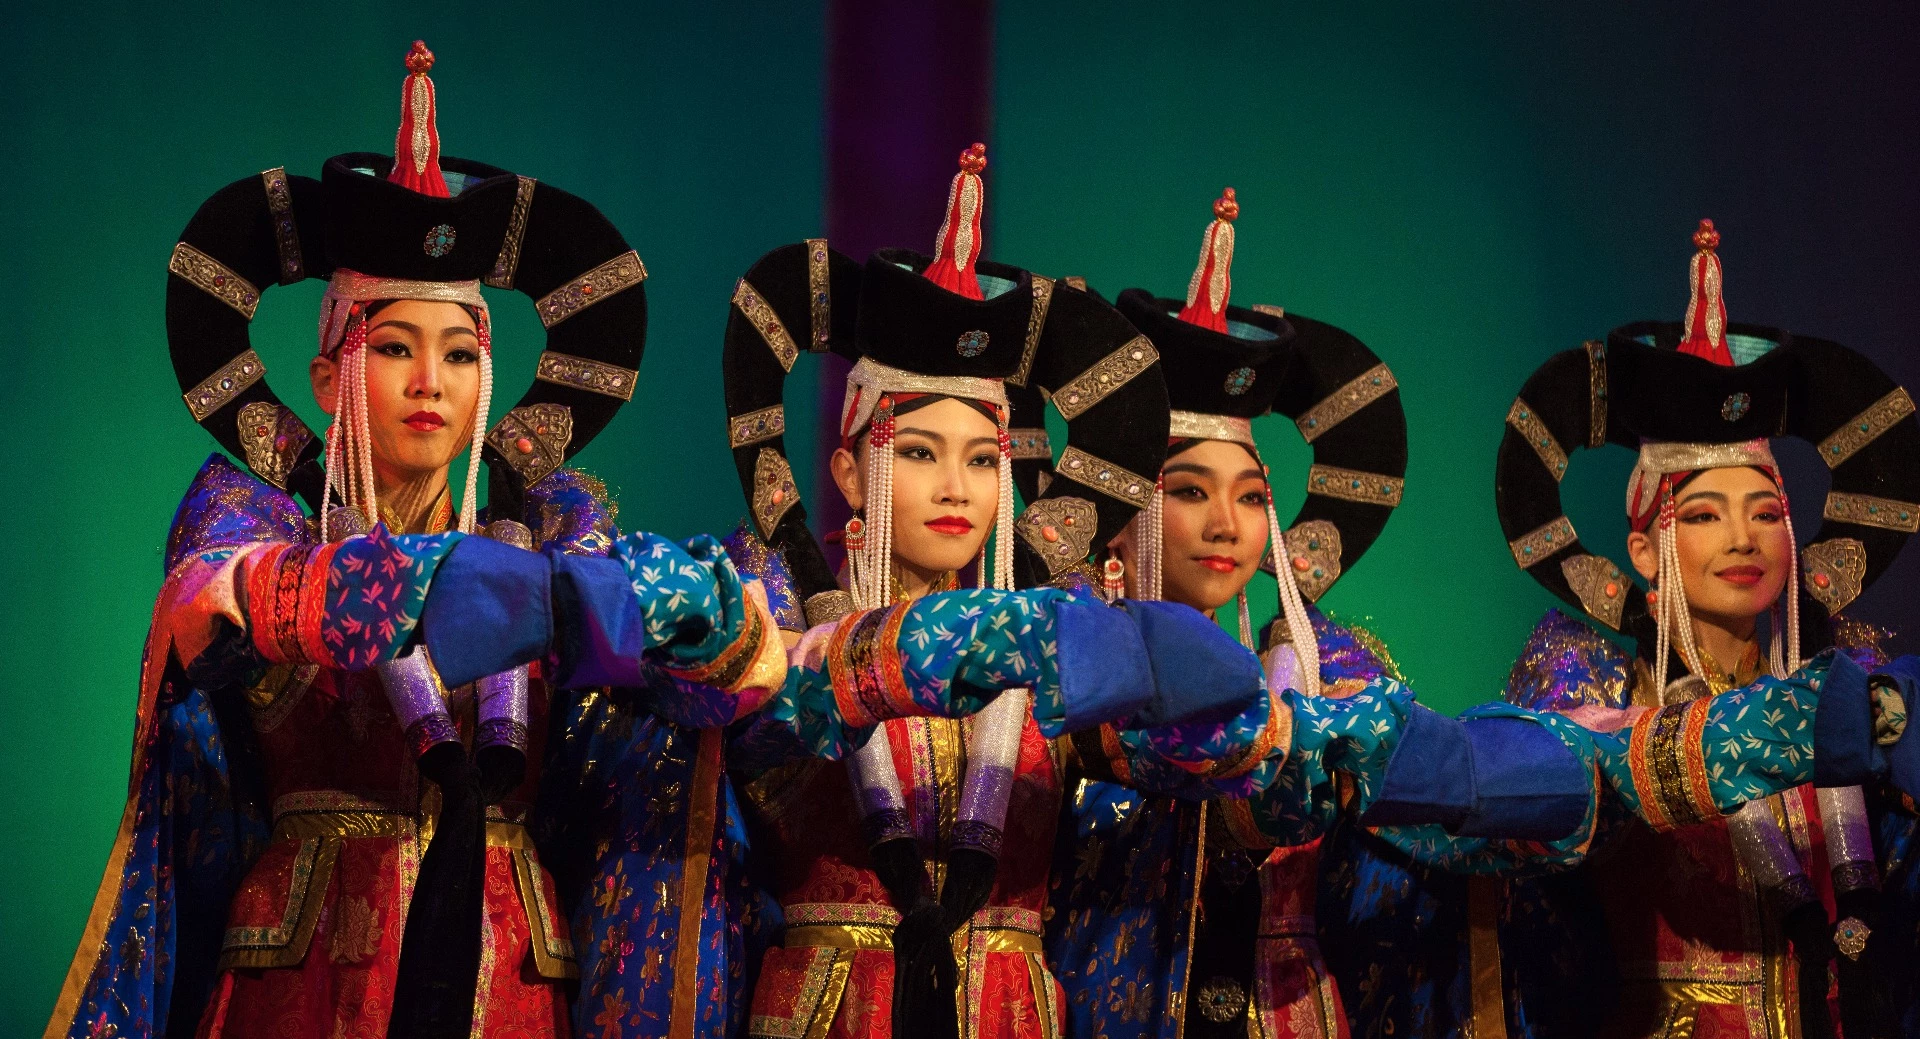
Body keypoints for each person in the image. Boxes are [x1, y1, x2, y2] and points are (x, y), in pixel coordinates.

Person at [39, 41, 685, 1039]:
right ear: (324, 375)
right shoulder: (248, 523)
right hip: (301, 979)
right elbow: (236, 602)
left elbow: (625, 757)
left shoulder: (566, 534)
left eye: (460, 351)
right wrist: (500, 591)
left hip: (514, 975)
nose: (431, 379)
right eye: (392, 346)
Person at [713, 145, 1305, 1039]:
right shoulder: (781, 619)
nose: (958, 486)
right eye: (918, 452)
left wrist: (1286, 734)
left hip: (1009, 1008)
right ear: (846, 468)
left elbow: (1174, 766)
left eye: (983, 459)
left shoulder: (1050, 645)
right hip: (832, 1008)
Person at [1320, 221, 1920, 1039]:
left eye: (1769, 511)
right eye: (1705, 514)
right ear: (1646, 549)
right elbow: (1545, 793)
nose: (1744, 539)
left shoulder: (1851, 671)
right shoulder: (1593, 678)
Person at [1045, 189, 1410, 1039]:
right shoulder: (1076, 645)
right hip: (1103, 997)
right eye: (1190, 491)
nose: (1226, 525)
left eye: (1251, 497)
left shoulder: (1334, 666)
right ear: (1130, 503)